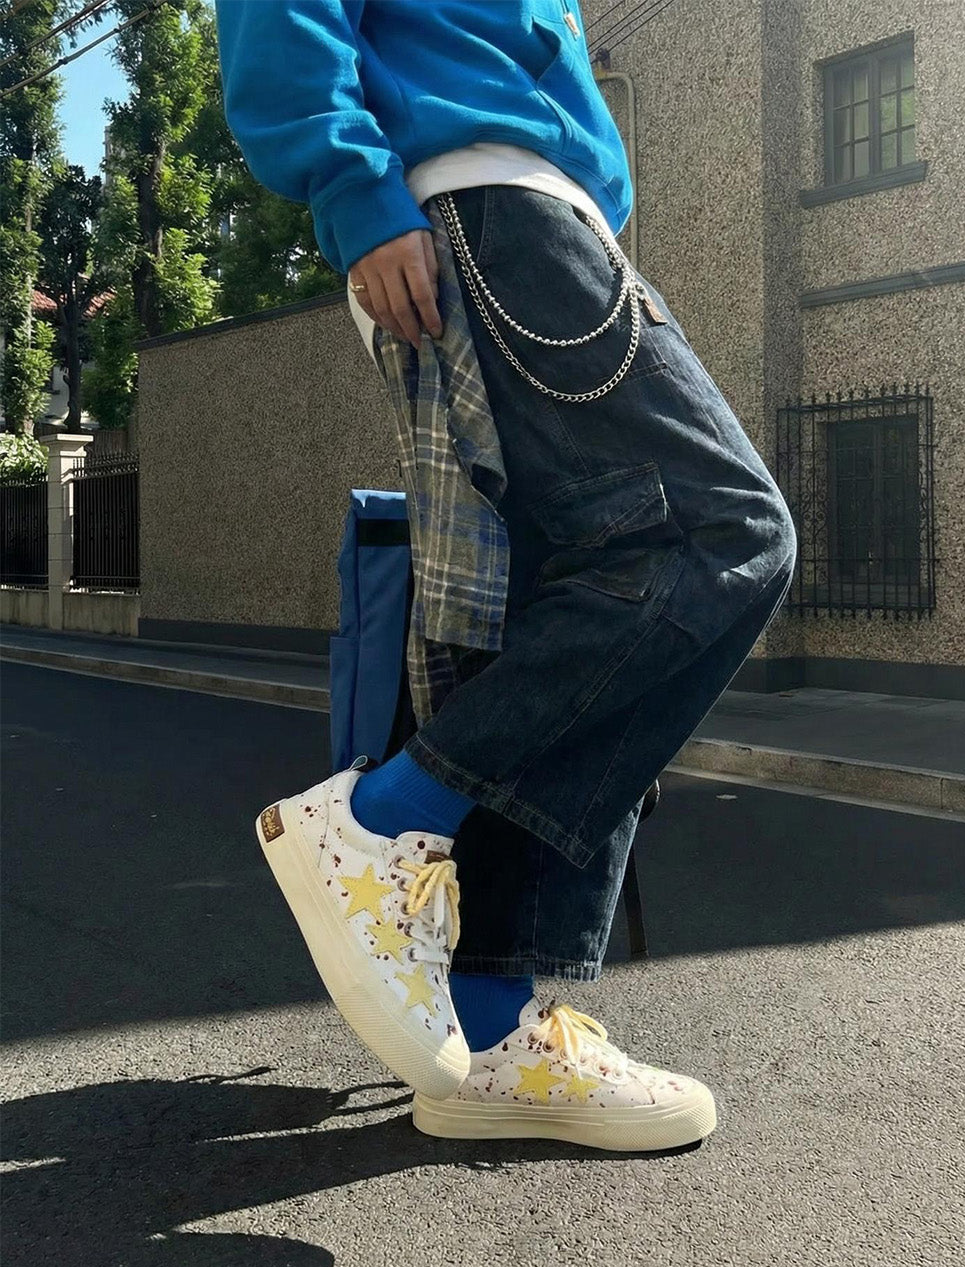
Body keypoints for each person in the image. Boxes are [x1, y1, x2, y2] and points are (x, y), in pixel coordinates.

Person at [215, 0, 797, 1154]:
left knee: (540, 613)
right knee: (722, 536)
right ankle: (379, 822)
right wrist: (353, 187)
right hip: (493, 211)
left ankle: (492, 1038)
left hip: (527, 222)